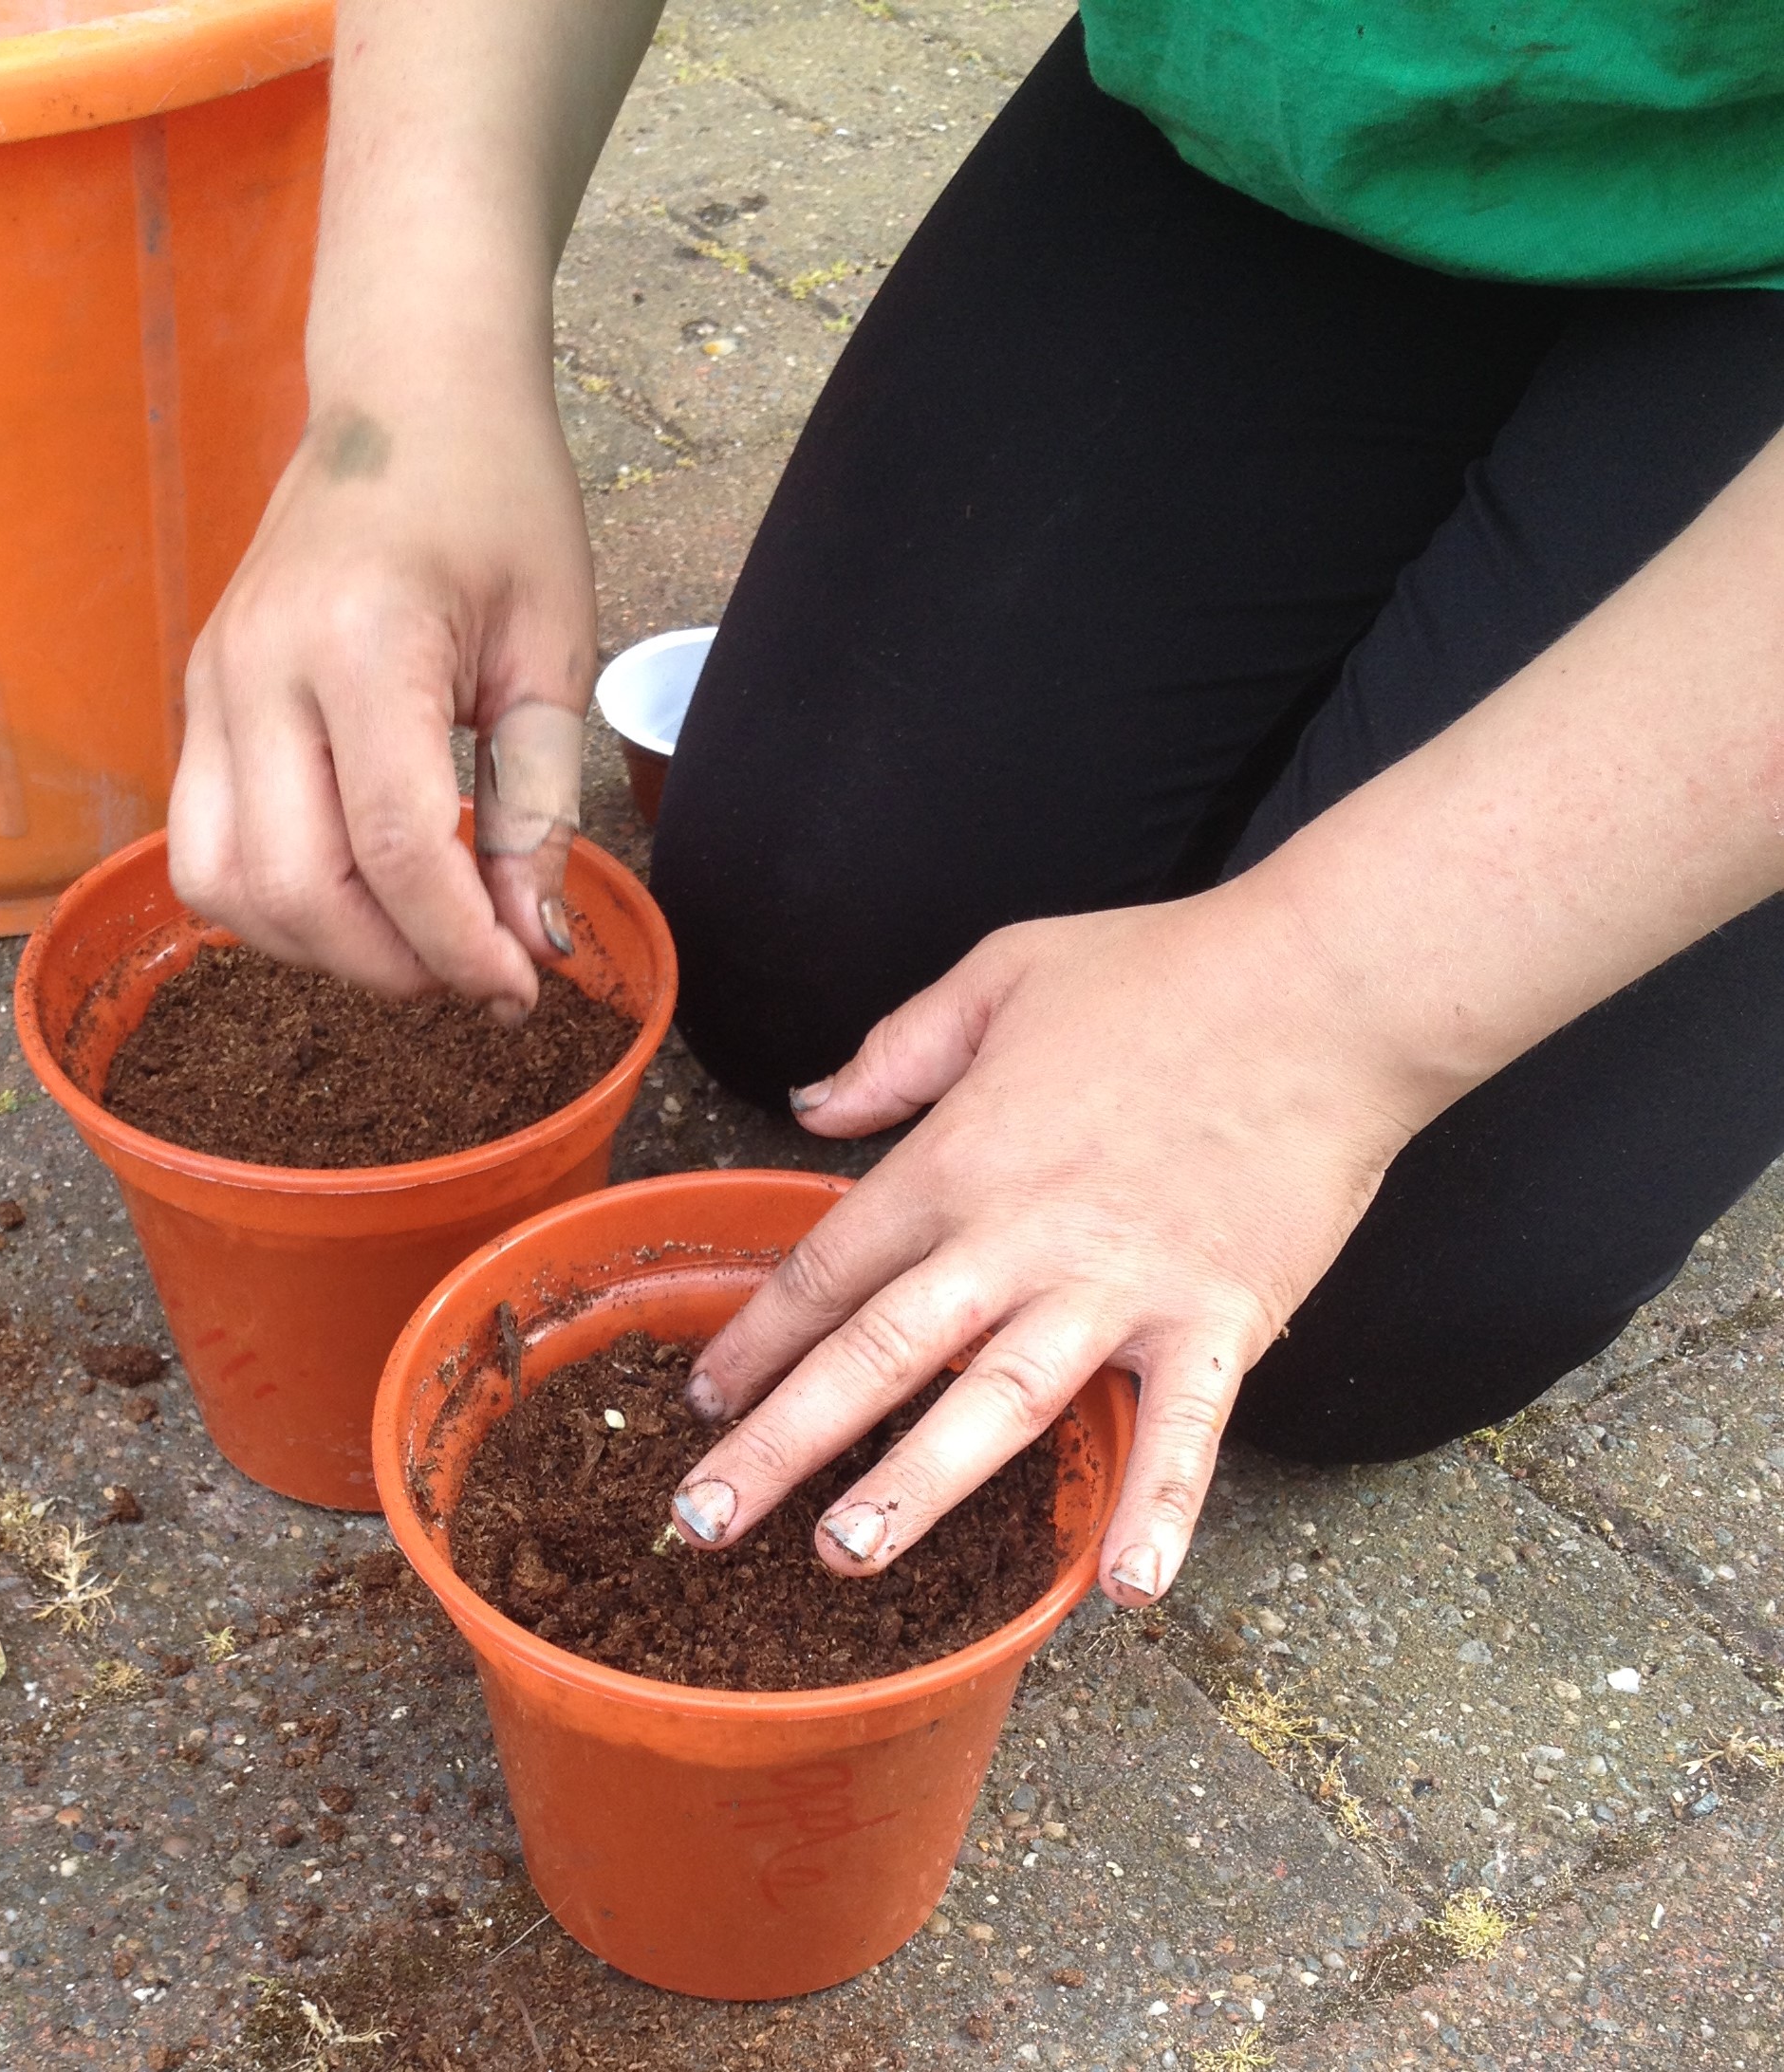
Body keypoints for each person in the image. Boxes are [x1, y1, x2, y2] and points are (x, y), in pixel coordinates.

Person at [169, 2, 1784, 1615]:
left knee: (1368, 1300)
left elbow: (1300, 1075)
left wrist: (1322, 1017)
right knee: (806, 951)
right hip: (1296, 95)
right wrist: (402, 393)